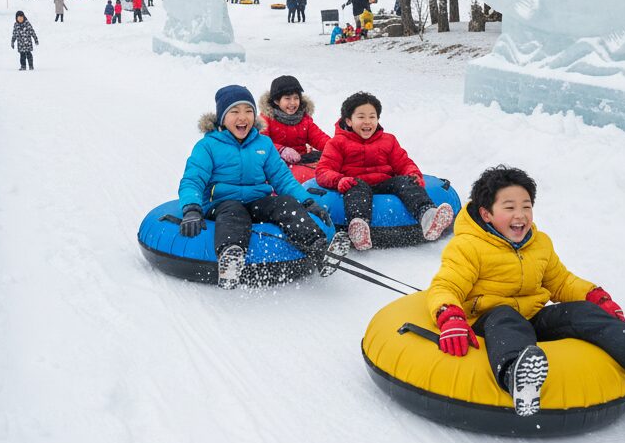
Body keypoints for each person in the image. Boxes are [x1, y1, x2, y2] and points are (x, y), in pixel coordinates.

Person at [426, 165, 625, 417]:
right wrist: (450, 316)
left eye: (526, 206)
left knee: (581, 313)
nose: (520, 215)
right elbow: (446, 286)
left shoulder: (539, 243)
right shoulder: (467, 247)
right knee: (505, 316)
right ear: (486, 213)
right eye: (509, 207)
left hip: (531, 317)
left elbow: (560, 282)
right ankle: (516, 377)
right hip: (489, 322)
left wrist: (595, 296)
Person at [177, 85, 346, 288]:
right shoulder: (208, 146)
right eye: (235, 112)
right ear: (222, 117)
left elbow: (283, 179)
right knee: (234, 211)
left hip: (256, 200)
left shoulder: (263, 144)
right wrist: (191, 209)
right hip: (221, 202)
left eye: (249, 111)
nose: (243, 118)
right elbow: (192, 179)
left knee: (284, 202)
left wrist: (307, 202)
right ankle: (230, 259)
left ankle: (319, 248)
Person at [315, 91, 454, 251]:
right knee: (357, 188)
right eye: (361, 117)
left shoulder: (388, 140)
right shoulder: (338, 143)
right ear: (349, 121)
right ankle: (359, 228)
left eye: (372, 117)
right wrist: (339, 180)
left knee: (406, 182)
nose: (367, 122)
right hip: (355, 183)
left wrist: (413, 173)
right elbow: (323, 170)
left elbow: (403, 162)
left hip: (384, 182)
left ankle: (428, 216)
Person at [259, 75, 331, 167]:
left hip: (302, 160)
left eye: (296, 98)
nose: (292, 103)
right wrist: (281, 150)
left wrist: (335, 147)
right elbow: (261, 143)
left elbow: (319, 138)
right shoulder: (266, 119)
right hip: (277, 163)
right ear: (277, 101)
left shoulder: (304, 119)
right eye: (287, 98)